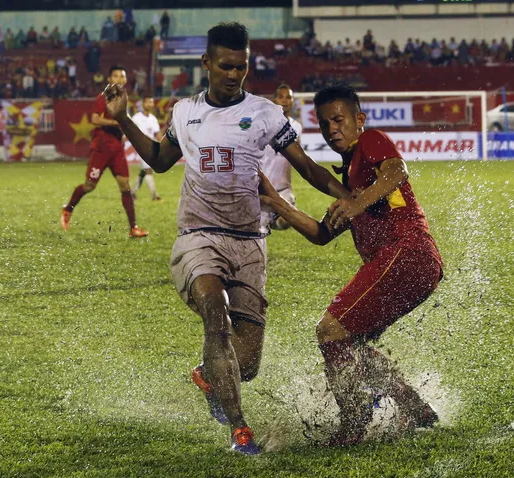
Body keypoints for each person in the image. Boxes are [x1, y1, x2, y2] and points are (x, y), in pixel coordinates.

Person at [102, 22, 348, 455]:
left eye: (242, 67)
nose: (235, 75)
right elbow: (160, 161)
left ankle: (207, 373)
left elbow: (308, 168)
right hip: (198, 238)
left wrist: (353, 198)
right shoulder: (184, 111)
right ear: (207, 64)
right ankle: (240, 431)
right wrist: (122, 119)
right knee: (215, 309)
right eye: (227, 66)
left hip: (250, 243)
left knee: (246, 363)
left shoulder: (268, 113)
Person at [258, 84, 443, 446]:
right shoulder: (351, 180)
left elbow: (397, 171)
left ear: (359, 120)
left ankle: (354, 425)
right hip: (411, 263)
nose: (332, 130)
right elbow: (320, 234)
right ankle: (416, 408)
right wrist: (277, 202)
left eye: (338, 120)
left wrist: (359, 204)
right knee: (349, 343)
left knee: (330, 330)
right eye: (324, 125)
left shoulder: (371, 142)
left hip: (407, 252)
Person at [60, 65, 148, 238]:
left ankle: (133, 228)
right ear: (109, 79)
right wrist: (117, 124)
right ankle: (67, 209)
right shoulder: (104, 97)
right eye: (116, 76)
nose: (120, 79)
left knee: (125, 186)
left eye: (122, 76)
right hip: (101, 148)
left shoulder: (122, 98)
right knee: (89, 186)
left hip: (117, 149)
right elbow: (95, 119)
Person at [260, 84, 302, 232]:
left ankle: (272, 221)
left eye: (288, 97)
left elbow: (298, 157)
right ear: (274, 100)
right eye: (281, 97)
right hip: (260, 188)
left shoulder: (297, 127)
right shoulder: (263, 125)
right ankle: (266, 222)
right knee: (256, 234)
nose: (285, 100)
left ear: (293, 101)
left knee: (286, 221)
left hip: (283, 189)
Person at [130, 95, 162, 201]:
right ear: (143, 104)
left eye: (151, 102)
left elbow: (157, 133)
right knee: (148, 170)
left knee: (143, 171)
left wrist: (163, 143)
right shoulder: (136, 117)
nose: (149, 104)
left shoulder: (153, 119)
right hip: (140, 147)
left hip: (150, 147)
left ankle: (132, 193)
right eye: (147, 102)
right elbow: (130, 131)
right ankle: (155, 195)